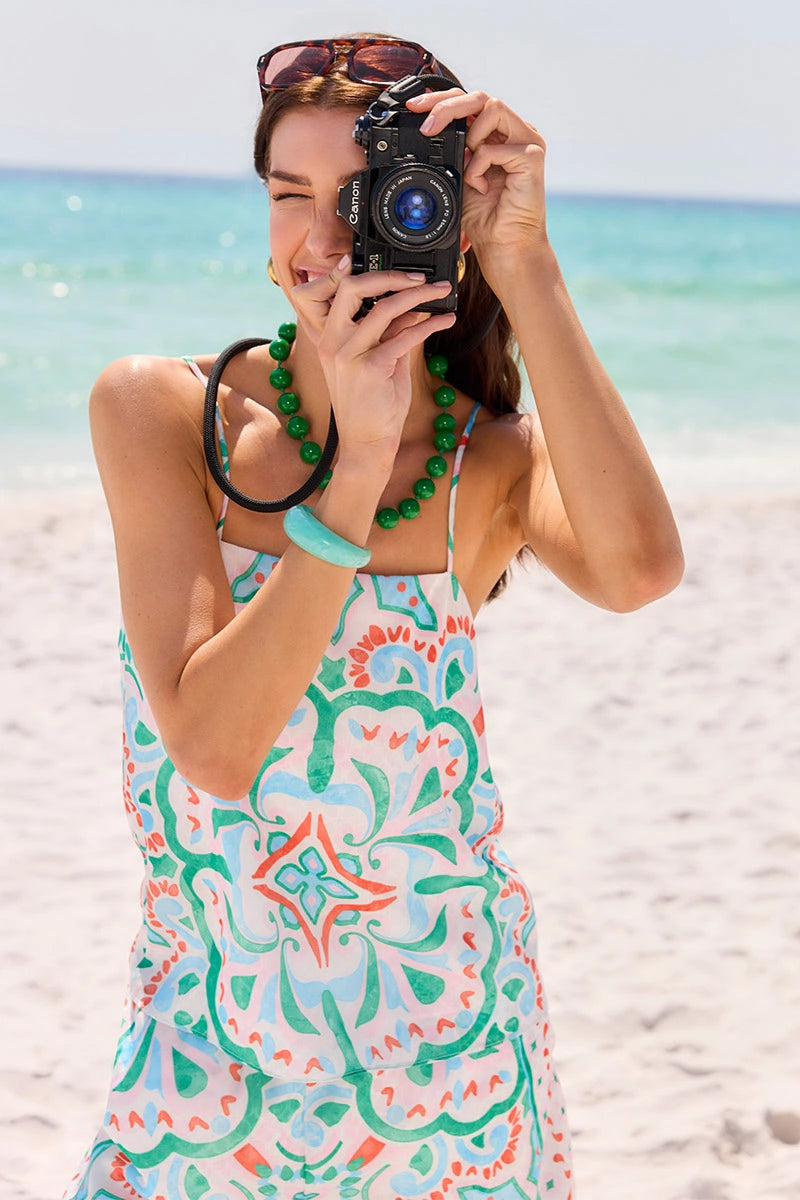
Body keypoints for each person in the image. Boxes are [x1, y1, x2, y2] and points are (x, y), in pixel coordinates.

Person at [64, 33, 683, 1200]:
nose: (323, 240)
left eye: (366, 198)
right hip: (209, 1045)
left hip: (453, 1054)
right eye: (288, 197)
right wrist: (349, 463)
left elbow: (639, 571)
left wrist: (527, 266)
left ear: (435, 216)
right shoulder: (161, 415)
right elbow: (215, 745)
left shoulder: (479, 462)